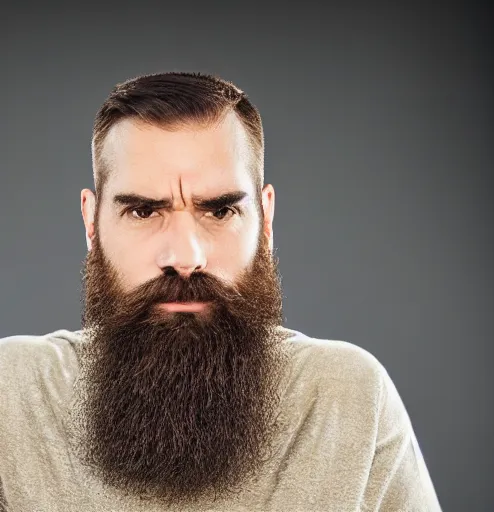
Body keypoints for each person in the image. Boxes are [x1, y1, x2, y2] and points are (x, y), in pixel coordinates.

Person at [0, 72, 442, 512]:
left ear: (265, 219)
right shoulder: (10, 395)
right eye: (142, 210)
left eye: (220, 210)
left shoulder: (350, 398)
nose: (185, 256)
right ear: (91, 223)